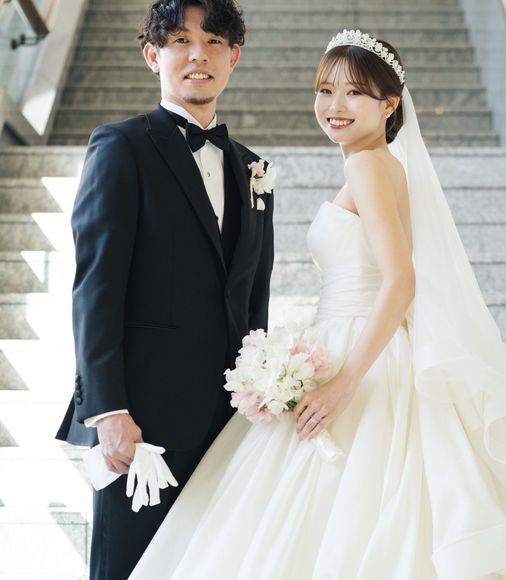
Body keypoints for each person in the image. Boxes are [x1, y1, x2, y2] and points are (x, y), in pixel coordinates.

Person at [129, 30, 506, 579]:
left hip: (362, 358)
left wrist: (344, 382)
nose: (334, 105)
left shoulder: (367, 166)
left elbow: (400, 280)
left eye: (355, 93)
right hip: (356, 342)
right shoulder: (382, 164)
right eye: (326, 90)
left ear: (389, 105)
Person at [55, 0, 274, 578]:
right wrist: (108, 410)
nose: (198, 54)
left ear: (234, 56)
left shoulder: (253, 168)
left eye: (213, 41)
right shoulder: (121, 146)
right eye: (180, 41)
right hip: (141, 425)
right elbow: (96, 286)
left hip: (228, 426)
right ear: (153, 56)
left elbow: (253, 297)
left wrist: (259, 399)